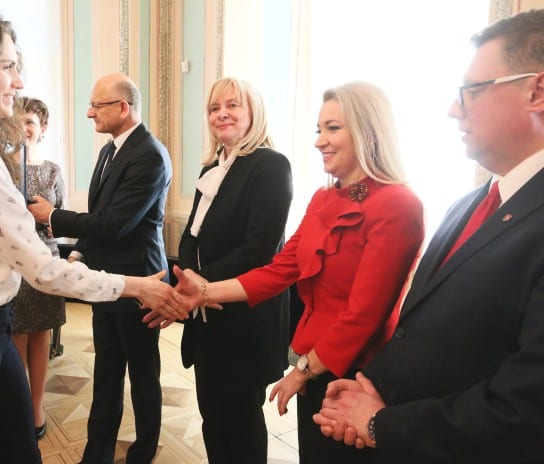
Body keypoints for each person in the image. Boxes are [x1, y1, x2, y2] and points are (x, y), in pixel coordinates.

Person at [0, 6, 185, 464]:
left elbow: (108, 224)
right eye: (8, 66)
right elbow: (44, 268)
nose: (19, 81)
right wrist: (135, 286)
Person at [313, 9, 544, 464]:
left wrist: (381, 423)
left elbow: (526, 406)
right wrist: (371, 389)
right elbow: (423, 331)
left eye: (471, 91)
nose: (454, 109)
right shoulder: (469, 203)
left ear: (535, 92)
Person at [157, 81, 424, 463]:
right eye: (318, 129)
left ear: (368, 130)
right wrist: (201, 292)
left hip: (355, 372)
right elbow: (280, 269)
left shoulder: (398, 204)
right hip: (313, 360)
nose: (319, 141)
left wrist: (301, 371)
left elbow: (364, 314)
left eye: (333, 128)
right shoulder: (324, 198)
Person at [27, 72, 172, 464]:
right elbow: (100, 217)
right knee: (106, 373)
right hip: (107, 282)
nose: (89, 113)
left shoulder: (149, 155)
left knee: (143, 377)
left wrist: (53, 215)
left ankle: (142, 453)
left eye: (97, 105)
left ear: (123, 108)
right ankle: (97, 455)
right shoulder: (110, 151)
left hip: (141, 282)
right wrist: (78, 256)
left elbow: (115, 224)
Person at [176, 77, 292, 463]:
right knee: (213, 417)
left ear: (253, 112)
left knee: (241, 425)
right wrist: (189, 276)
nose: (221, 114)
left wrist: (200, 281)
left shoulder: (270, 165)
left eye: (232, 105)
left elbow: (259, 249)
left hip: (245, 317)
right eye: (214, 108)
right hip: (205, 316)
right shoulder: (212, 166)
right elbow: (190, 235)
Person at [10, 96, 65, 441]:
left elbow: (60, 219)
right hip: (12, 261)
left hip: (45, 259)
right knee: (15, 334)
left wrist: (47, 217)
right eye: (18, 121)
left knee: (42, 334)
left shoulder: (53, 170)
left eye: (30, 122)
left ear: (42, 128)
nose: (24, 128)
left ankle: (36, 406)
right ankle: (17, 407)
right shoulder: (0, 166)